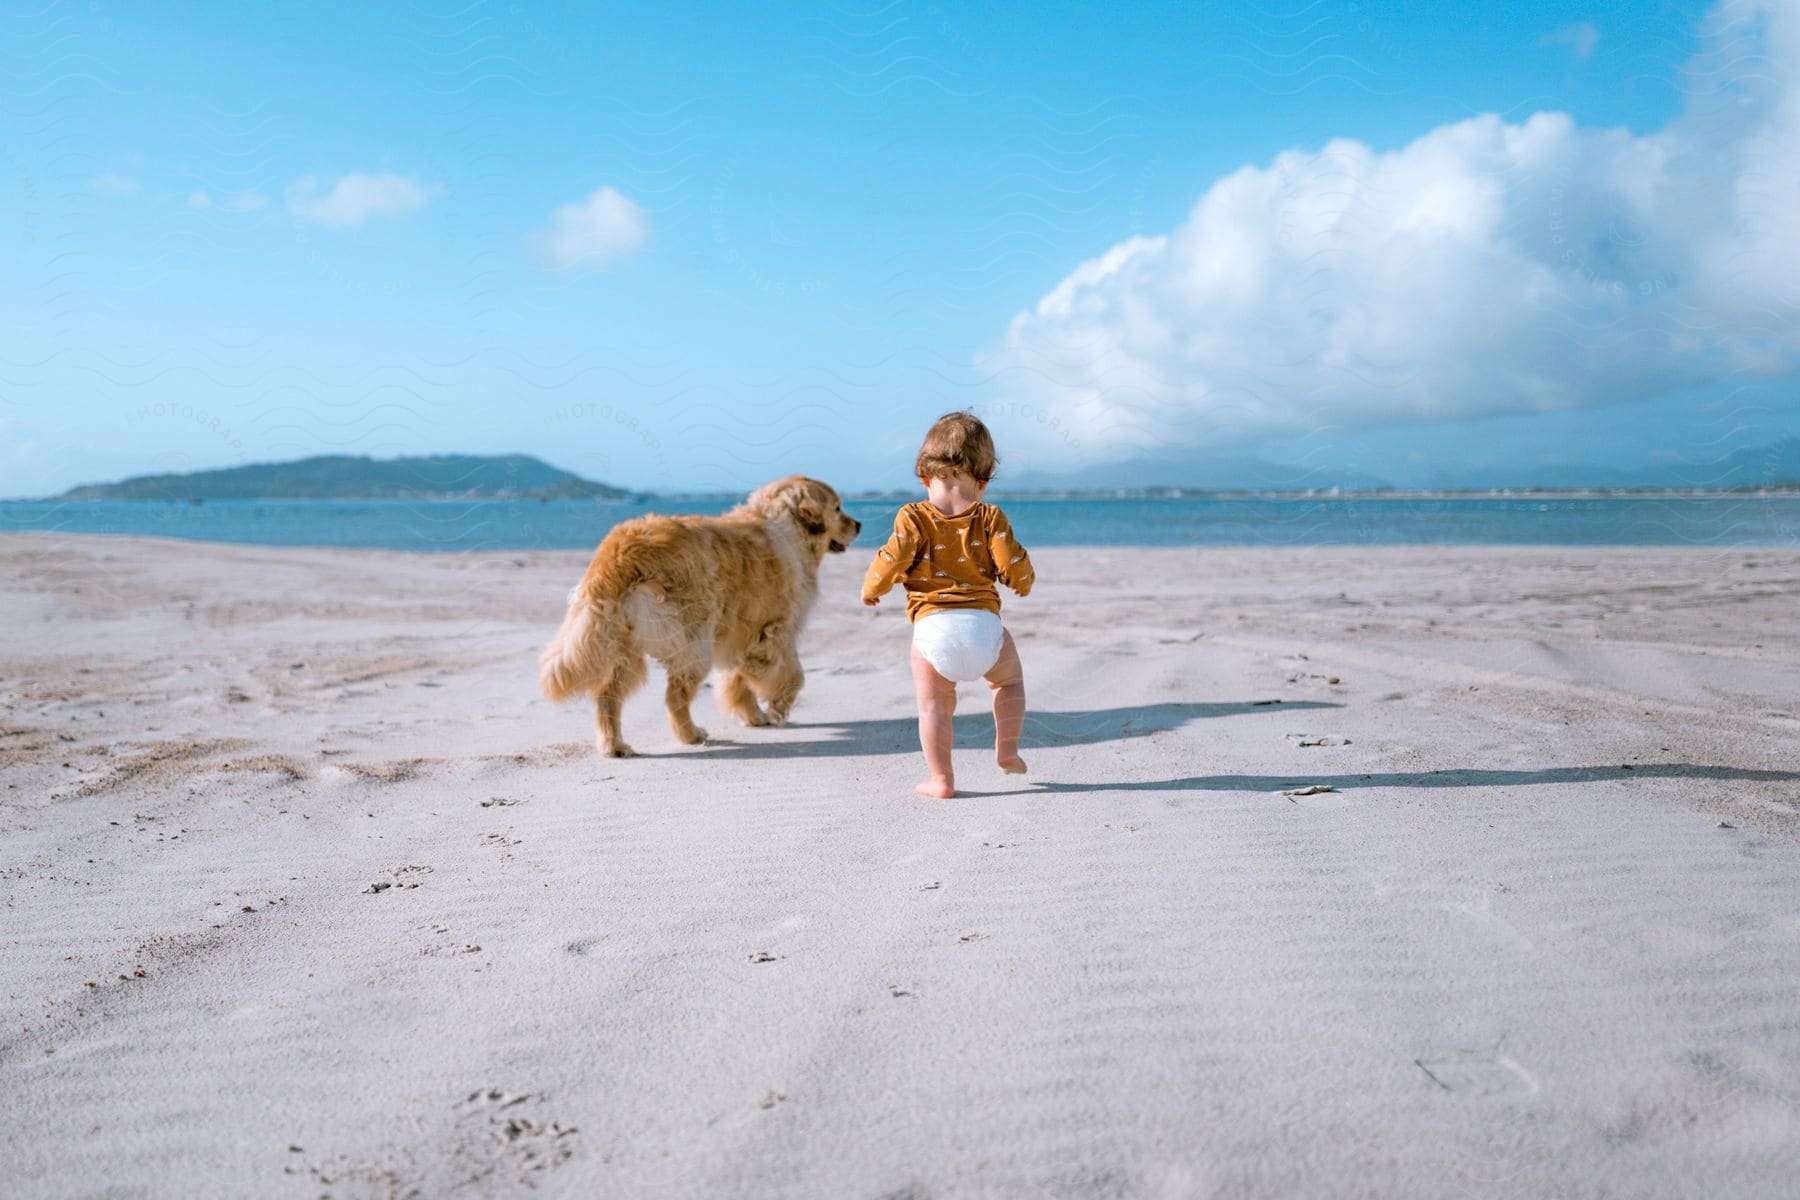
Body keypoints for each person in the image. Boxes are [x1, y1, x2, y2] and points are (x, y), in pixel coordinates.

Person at [862, 412, 1034, 798]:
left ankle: (941, 779)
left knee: (934, 709)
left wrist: (873, 587)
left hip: (931, 632)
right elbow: (1011, 562)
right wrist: (1021, 582)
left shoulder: (912, 516)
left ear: (923, 474)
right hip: (984, 628)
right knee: (1009, 682)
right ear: (985, 480)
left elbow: (892, 558)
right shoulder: (991, 517)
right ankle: (1007, 748)